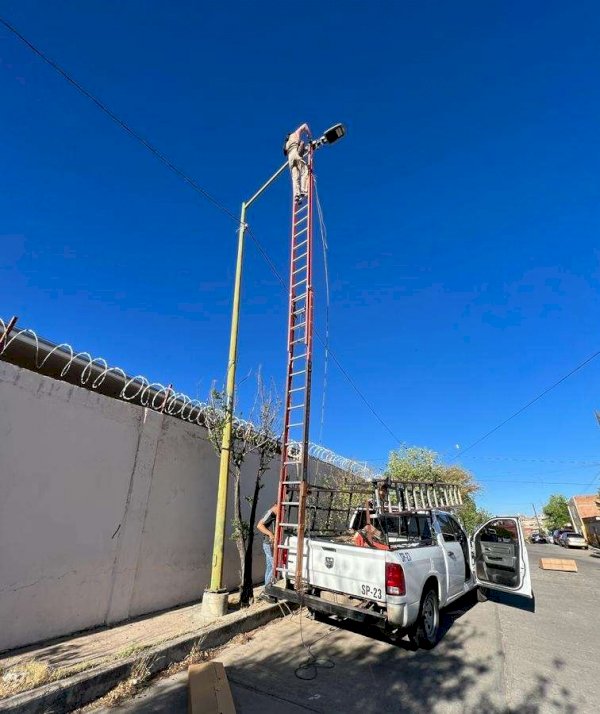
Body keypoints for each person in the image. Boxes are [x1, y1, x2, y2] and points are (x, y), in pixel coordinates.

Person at [284, 123, 311, 204]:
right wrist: (309, 136)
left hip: (290, 159)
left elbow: (292, 150)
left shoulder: (286, 144)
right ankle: (304, 190)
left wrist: (303, 148)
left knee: (295, 177)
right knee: (304, 170)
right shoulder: (295, 134)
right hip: (295, 153)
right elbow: (305, 125)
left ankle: (297, 195)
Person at [257, 503, 277, 601]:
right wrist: (270, 534)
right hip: (269, 544)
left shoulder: (274, 515)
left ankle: (267, 591)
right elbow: (259, 525)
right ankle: (267, 591)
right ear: (276, 505)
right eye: (282, 509)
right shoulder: (270, 513)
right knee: (274, 566)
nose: (283, 512)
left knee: (269, 567)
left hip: (270, 544)